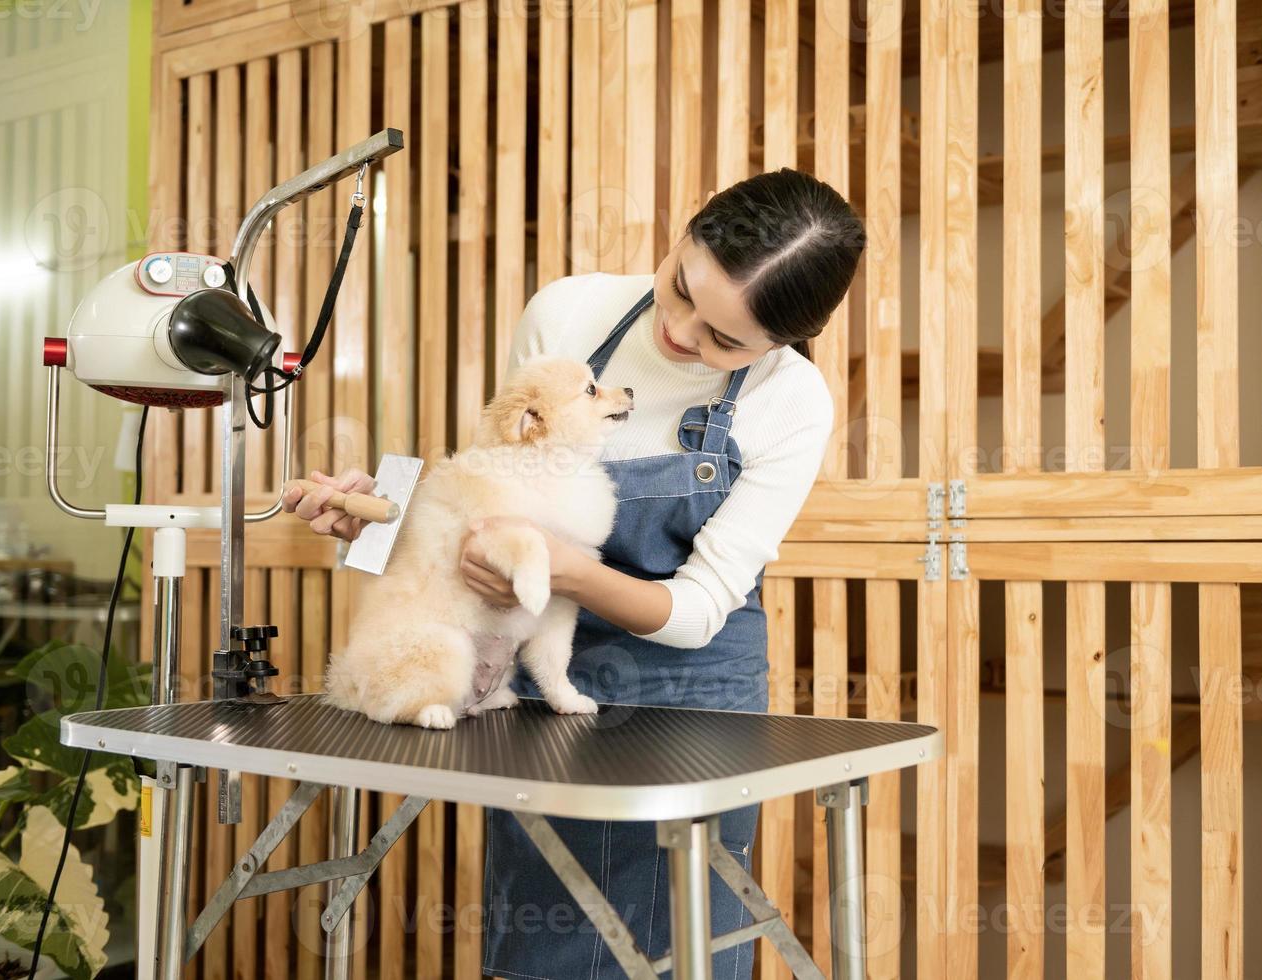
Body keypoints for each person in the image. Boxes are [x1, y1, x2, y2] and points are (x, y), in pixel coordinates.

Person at [283, 167, 866, 980]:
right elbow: (497, 478)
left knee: (681, 940)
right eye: (679, 287)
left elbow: (698, 608)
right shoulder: (567, 312)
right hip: (542, 681)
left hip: (690, 699)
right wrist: (377, 520)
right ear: (683, 233)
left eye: (723, 340)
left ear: (782, 341)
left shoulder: (792, 402)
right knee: (551, 937)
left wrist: (563, 573)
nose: (679, 332)